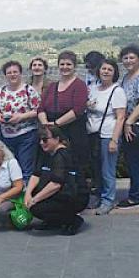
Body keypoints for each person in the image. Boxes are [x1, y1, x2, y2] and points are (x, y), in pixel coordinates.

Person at [37, 50, 90, 190]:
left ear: (74, 66)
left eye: (68, 64)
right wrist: (45, 125)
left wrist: (55, 124)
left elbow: (77, 110)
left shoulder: (80, 85)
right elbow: (41, 108)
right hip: (51, 132)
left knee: (74, 165)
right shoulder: (51, 87)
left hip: (73, 132)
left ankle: (77, 194)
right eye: (62, 64)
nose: (65, 67)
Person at [25, 125, 89, 235]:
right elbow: (36, 174)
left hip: (74, 196)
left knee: (37, 207)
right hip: (59, 194)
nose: (41, 143)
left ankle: (72, 220)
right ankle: (53, 221)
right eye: (40, 140)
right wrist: (28, 193)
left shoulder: (62, 155)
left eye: (45, 140)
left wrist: (34, 200)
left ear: (57, 139)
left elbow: (56, 184)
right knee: (34, 201)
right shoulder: (45, 153)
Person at [86, 59, 127, 215]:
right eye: (103, 68)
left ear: (114, 73)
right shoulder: (92, 89)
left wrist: (114, 140)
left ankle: (108, 200)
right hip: (92, 135)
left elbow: (120, 117)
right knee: (96, 169)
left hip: (108, 135)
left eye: (110, 69)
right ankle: (98, 196)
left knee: (107, 170)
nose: (106, 72)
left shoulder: (117, 91)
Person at [0, 61, 41, 182]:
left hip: (26, 135)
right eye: (9, 73)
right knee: (11, 168)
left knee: (25, 167)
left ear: (20, 74)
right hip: (7, 136)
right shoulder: (1, 91)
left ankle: (25, 197)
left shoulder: (28, 90)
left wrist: (22, 117)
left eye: (15, 72)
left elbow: (38, 110)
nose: (12, 75)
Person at [117, 45, 139, 209]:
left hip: (136, 125)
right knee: (130, 161)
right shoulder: (125, 78)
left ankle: (137, 196)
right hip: (126, 124)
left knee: (135, 161)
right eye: (125, 58)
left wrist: (129, 122)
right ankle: (134, 192)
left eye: (132, 57)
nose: (128, 61)